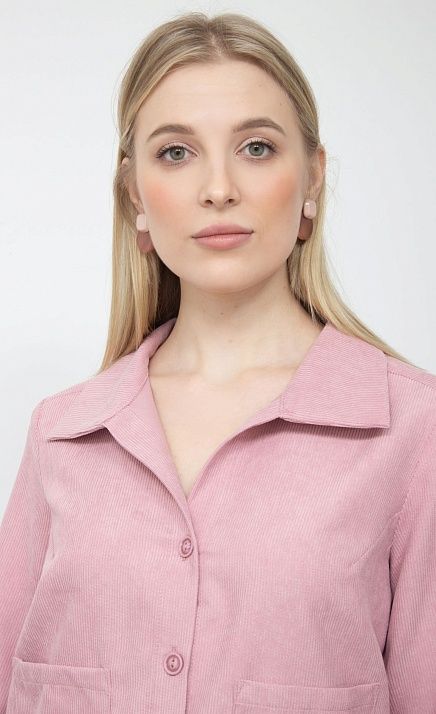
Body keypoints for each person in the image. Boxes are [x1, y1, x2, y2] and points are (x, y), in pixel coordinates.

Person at [0, 11, 435, 714]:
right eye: (176, 152)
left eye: (256, 147)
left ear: (313, 179)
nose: (218, 187)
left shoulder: (414, 430)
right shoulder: (61, 435)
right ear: (135, 194)